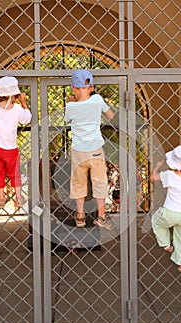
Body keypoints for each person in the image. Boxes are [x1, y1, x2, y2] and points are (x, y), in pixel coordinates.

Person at [64, 69, 114, 228]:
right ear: (91, 87)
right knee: (99, 181)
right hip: (95, 149)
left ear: (73, 88)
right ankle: (101, 216)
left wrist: (71, 102)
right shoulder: (97, 100)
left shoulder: (71, 106)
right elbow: (110, 115)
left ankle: (80, 215)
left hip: (79, 150)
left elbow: (67, 119)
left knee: (78, 183)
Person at [0, 76, 32, 209]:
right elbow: (27, 119)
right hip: (11, 148)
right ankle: (18, 197)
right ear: (15, 96)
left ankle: (1, 197)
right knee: (14, 173)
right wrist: (24, 104)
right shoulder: (17, 109)